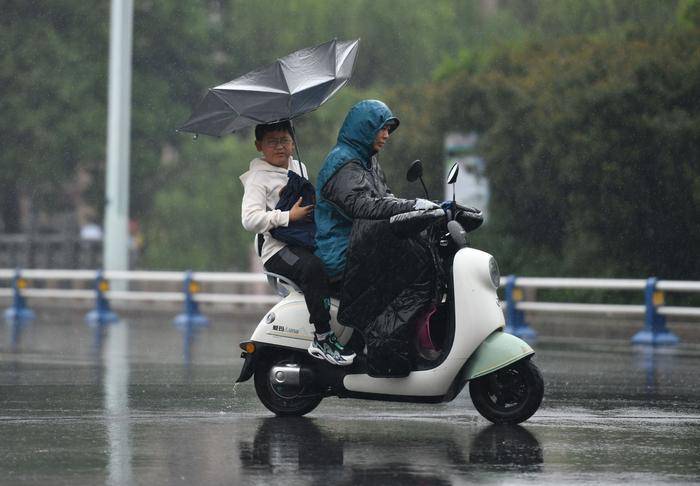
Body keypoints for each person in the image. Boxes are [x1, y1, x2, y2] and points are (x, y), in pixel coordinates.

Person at [315, 100, 441, 377]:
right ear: (364, 129)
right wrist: (411, 206)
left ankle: (405, 342)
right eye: (381, 129)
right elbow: (363, 206)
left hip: (364, 243)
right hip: (342, 250)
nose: (386, 136)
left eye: (388, 130)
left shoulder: (367, 160)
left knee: (426, 256)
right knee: (415, 266)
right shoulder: (343, 163)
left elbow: (385, 199)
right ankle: (385, 349)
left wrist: (426, 207)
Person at [239, 121, 356, 366]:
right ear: (258, 145)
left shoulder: (299, 167)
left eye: (285, 140)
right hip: (277, 250)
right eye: (272, 142)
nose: (280, 147)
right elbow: (249, 220)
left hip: (303, 242)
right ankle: (323, 338)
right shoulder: (257, 179)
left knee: (347, 259)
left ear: (293, 142)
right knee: (312, 269)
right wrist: (286, 217)